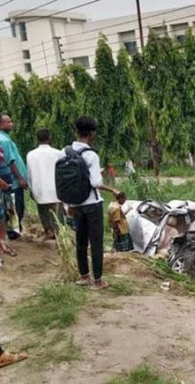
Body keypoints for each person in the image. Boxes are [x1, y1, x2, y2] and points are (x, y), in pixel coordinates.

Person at [62, 117, 121, 290]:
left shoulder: (64, 152)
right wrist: (112, 190)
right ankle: (98, 281)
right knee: (96, 242)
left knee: (80, 240)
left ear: (76, 131)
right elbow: (95, 183)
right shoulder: (90, 155)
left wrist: (67, 203)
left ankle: (84, 276)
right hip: (92, 204)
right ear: (92, 134)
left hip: (74, 203)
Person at [26, 129, 64, 240]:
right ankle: (58, 235)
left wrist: (32, 189)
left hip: (39, 188)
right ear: (49, 138)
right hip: (55, 189)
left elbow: (29, 174)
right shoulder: (58, 153)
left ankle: (48, 231)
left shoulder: (31, 155)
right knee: (56, 215)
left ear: (38, 139)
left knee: (43, 212)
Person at [0, 115, 28, 240]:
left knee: (8, 206)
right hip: (13, 181)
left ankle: (11, 232)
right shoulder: (4, 141)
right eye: (9, 122)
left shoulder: (5, 138)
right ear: (1, 125)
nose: (12, 124)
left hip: (7, 180)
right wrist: (20, 179)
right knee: (16, 207)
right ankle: (13, 233)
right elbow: (10, 161)